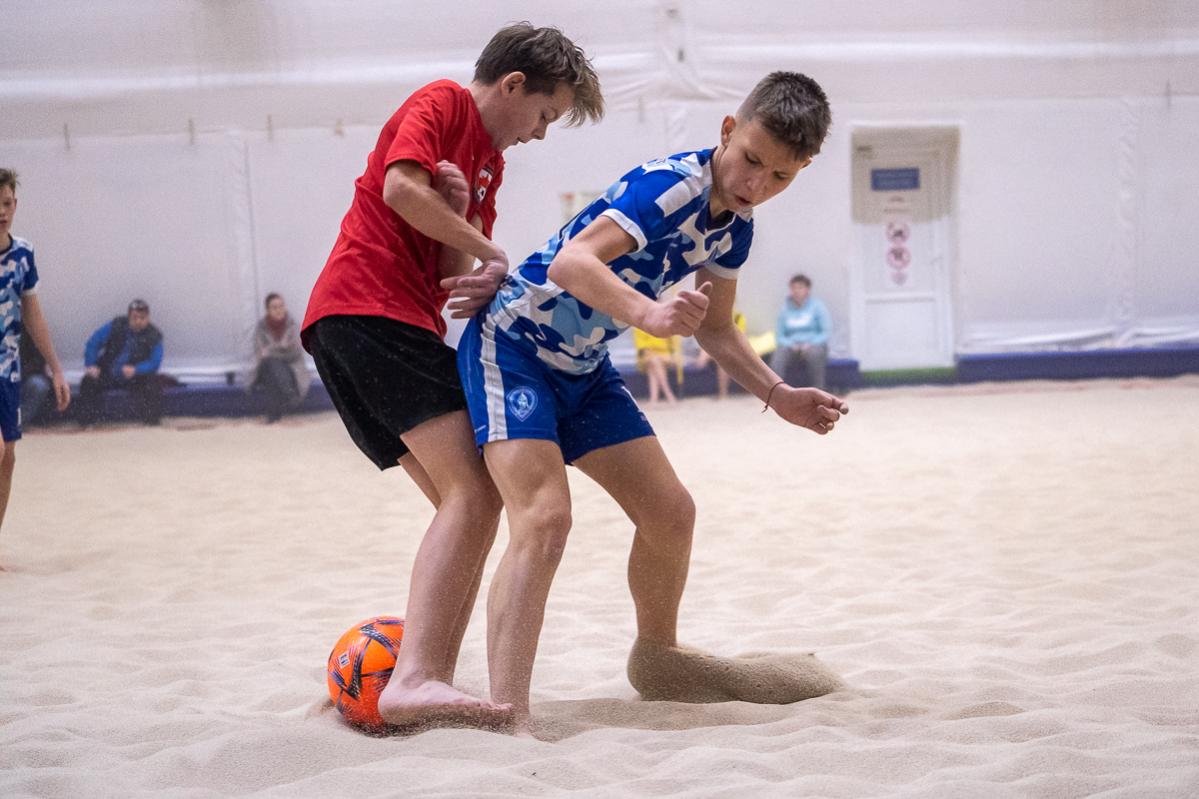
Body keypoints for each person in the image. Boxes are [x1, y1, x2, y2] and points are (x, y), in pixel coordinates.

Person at [457, 71, 848, 728]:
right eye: (751, 159)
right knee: (545, 519)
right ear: (728, 130)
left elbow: (717, 329)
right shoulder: (670, 186)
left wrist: (776, 393)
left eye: (780, 176)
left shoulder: (735, 228)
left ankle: (658, 656)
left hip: (583, 368)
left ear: (800, 172)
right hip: (513, 348)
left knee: (671, 512)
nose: (756, 184)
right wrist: (648, 313)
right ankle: (507, 713)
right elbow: (571, 263)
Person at [300, 23, 603, 728]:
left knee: (471, 500)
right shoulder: (441, 101)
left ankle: (423, 672)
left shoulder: (488, 165)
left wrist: (465, 224)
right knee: (472, 491)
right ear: (512, 85)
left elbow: (447, 277)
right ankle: (415, 675)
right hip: (368, 312)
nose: (539, 133)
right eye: (544, 114)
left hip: (377, 323)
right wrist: (490, 249)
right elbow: (400, 191)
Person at [0, 168, 71, 549]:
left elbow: (33, 316)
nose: (1, 212)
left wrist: (56, 369)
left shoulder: (23, 253)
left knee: (8, 459)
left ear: (16, 204)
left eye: (7, 203)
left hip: (7, 370)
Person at [75, 299, 165, 426]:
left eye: (142, 318)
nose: (138, 321)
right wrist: (91, 364)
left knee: (152, 383)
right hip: (108, 372)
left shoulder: (154, 335)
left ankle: (152, 424)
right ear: (129, 317)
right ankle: (86, 423)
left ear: (148, 318)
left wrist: (137, 369)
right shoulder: (116, 325)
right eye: (135, 317)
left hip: (134, 377)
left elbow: (155, 362)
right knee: (88, 381)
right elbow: (93, 343)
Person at [250, 293, 312, 423]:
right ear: (268, 310)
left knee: (272, 370)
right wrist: (282, 349)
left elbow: (295, 352)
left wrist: (272, 351)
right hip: (266, 368)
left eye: (281, 306)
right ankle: (290, 397)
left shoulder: (293, 325)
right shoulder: (261, 328)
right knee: (271, 365)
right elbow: (260, 353)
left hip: (291, 370)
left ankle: (273, 415)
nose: (279, 310)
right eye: (274, 307)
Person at [770, 273, 831, 390]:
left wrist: (810, 344)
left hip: (812, 345)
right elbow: (779, 335)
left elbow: (825, 333)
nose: (796, 291)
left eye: (800, 288)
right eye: (793, 288)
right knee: (778, 356)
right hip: (791, 346)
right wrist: (791, 345)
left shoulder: (818, 307)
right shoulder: (784, 309)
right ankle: (777, 390)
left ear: (807, 290)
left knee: (815, 354)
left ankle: (819, 389)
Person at [693, 310, 746, 398]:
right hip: (712, 346)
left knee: (723, 358)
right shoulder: (712, 316)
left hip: (729, 348)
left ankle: (723, 392)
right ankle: (699, 366)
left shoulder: (738, 317)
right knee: (707, 354)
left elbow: (739, 340)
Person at [632, 327, 681, 406]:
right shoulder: (639, 326)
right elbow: (642, 348)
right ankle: (668, 394)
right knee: (654, 362)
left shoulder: (665, 324)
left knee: (654, 365)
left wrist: (673, 355)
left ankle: (654, 399)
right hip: (648, 355)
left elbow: (673, 344)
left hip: (665, 354)